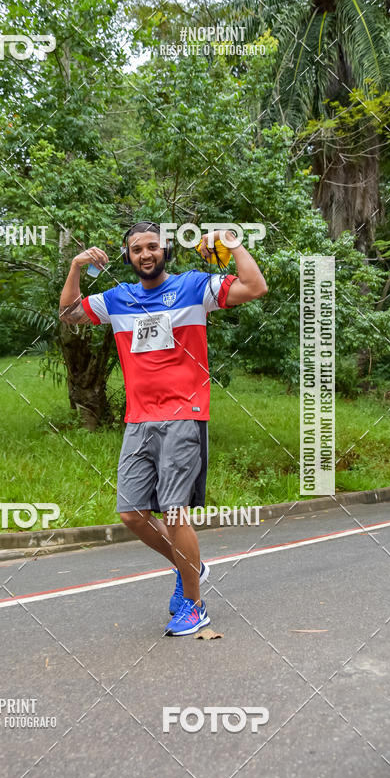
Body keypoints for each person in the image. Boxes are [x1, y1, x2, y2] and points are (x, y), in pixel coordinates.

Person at [58, 222, 267, 635]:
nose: (146, 254)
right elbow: (68, 314)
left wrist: (233, 243)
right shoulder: (118, 298)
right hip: (139, 419)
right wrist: (76, 267)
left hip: (184, 414)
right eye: (137, 249)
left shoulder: (194, 287)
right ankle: (191, 567)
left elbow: (255, 287)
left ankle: (195, 605)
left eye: (153, 246)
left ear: (165, 249)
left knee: (173, 512)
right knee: (132, 513)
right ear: (128, 257)